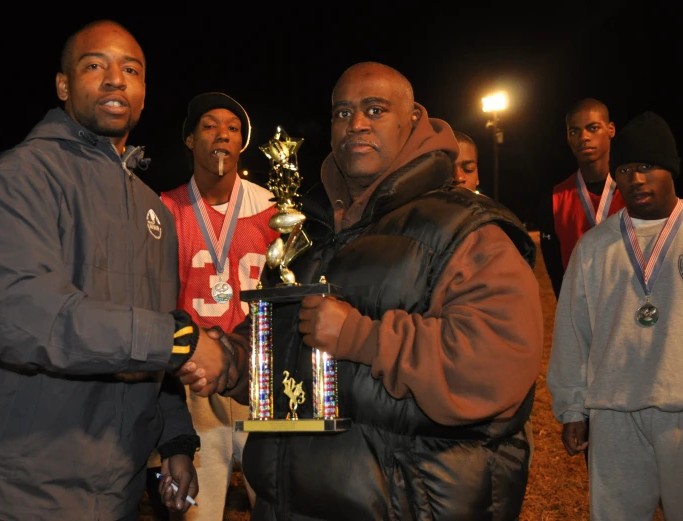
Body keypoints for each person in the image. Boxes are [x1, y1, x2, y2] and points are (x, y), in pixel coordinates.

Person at [181, 61, 543, 520]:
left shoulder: (464, 229)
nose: (356, 125)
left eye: (375, 110)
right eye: (342, 113)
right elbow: (287, 358)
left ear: (412, 121)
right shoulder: (305, 232)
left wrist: (359, 335)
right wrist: (232, 361)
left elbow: (494, 368)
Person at [0, 20, 238, 521]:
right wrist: (181, 340)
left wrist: (176, 440)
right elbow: (19, 315)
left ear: (143, 94)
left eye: (131, 70)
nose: (115, 79)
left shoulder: (154, 211)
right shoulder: (21, 177)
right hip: (15, 493)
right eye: (95, 65)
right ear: (63, 85)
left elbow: (152, 334)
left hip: (114, 494)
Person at [547, 111, 682, 521]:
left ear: (671, 169)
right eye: (624, 169)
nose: (636, 179)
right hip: (613, 412)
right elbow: (573, 331)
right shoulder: (594, 247)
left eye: (647, 167)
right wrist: (572, 408)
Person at [154, 92, 279, 520]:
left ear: (242, 142)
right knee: (198, 512)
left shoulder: (275, 209)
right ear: (190, 140)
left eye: (233, 127)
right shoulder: (162, 210)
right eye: (209, 125)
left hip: (259, 378)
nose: (222, 134)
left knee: (281, 507)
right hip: (193, 381)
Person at [538, 98, 625, 298]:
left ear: (610, 129)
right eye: (574, 131)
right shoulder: (554, 199)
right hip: (580, 311)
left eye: (593, 128)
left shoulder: (633, 190)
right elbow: (555, 271)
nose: (583, 137)